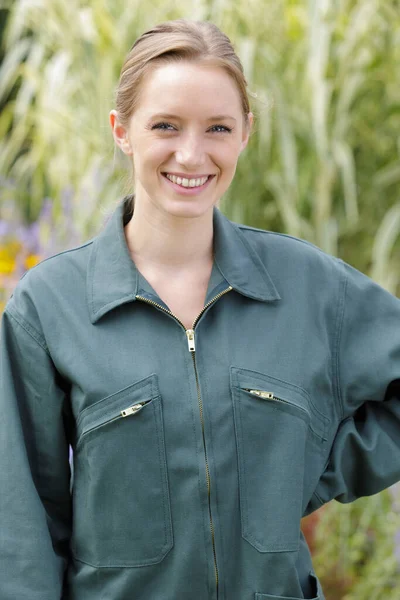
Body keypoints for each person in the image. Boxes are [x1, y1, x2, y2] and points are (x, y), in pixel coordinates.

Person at [1, 18, 400, 600]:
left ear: (245, 134)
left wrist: (305, 471)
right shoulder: (49, 305)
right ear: (122, 130)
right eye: (165, 125)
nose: (192, 154)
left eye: (218, 127)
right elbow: (21, 513)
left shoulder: (310, 285)